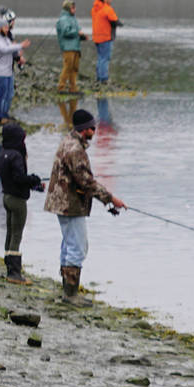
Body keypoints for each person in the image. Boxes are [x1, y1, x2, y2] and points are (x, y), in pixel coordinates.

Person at [43, 107, 125, 298]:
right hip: (69, 204)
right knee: (78, 247)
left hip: (61, 202)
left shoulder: (68, 141)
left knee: (69, 244)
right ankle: (70, 294)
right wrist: (111, 199)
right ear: (83, 129)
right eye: (92, 128)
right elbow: (87, 182)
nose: (94, 132)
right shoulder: (75, 150)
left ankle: (66, 289)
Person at [0, 120, 43, 285]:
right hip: (18, 200)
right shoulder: (16, 155)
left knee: (9, 232)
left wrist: (33, 184)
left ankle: (9, 268)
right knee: (16, 234)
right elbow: (20, 178)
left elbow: (13, 178)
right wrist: (33, 179)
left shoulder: (2, 153)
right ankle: (14, 273)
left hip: (6, 197)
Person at [0, 10, 31, 122]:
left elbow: (12, 49)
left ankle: (5, 114)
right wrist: (20, 45)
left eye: (8, 27)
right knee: (0, 95)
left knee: (8, 95)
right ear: (0, 28)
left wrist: (19, 56)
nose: (8, 29)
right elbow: (4, 49)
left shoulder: (5, 38)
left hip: (8, 71)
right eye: (6, 27)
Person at [55, 0, 84, 94]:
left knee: (74, 69)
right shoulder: (63, 19)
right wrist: (77, 32)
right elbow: (65, 32)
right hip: (68, 48)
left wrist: (82, 36)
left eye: (74, 7)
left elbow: (76, 32)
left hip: (75, 47)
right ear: (68, 8)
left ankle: (73, 89)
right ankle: (61, 88)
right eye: (72, 7)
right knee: (67, 68)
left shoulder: (73, 18)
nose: (74, 9)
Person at [91, 0, 120, 85]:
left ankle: (99, 77)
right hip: (105, 37)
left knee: (100, 58)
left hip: (97, 37)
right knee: (105, 58)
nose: (111, 0)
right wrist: (119, 23)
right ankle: (103, 78)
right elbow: (114, 20)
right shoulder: (107, 8)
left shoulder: (94, 9)